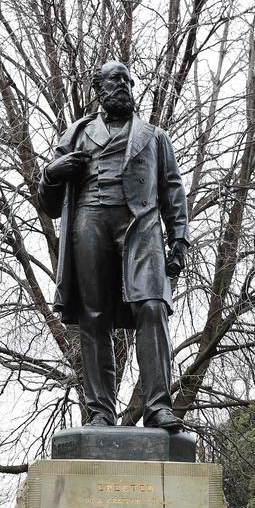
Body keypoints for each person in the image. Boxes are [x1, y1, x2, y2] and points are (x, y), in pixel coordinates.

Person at [38, 61, 190, 430]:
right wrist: (52, 174)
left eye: (127, 80)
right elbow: (48, 205)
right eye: (114, 79)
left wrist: (179, 240)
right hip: (90, 222)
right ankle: (101, 411)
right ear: (98, 88)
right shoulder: (75, 134)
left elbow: (173, 190)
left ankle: (157, 405)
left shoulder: (154, 137)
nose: (123, 85)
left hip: (141, 225)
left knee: (152, 307)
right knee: (94, 317)